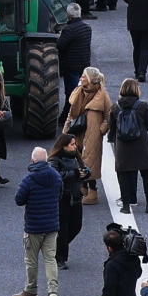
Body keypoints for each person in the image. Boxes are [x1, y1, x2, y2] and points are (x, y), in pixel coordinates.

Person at [13, 147, 63, 296]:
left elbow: (19, 200)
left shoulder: (29, 180)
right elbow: (59, 196)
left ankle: (31, 289)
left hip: (34, 227)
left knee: (31, 260)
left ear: (33, 160)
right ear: (46, 160)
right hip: (52, 225)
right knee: (50, 259)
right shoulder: (56, 177)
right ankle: (52, 290)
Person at [64, 67, 111, 205]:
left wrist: (101, 130)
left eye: (83, 76)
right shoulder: (78, 92)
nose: (80, 78)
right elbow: (71, 113)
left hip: (92, 134)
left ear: (90, 79)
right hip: (78, 131)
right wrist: (66, 128)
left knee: (90, 161)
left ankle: (93, 191)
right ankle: (83, 187)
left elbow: (109, 115)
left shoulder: (102, 95)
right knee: (79, 159)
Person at [110, 78, 148, 214]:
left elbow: (111, 128)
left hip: (122, 146)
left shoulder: (116, 107)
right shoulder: (142, 106)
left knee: (123, 174)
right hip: (140, 144)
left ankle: (126, 205)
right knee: (146, 173)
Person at [48, 134, 88, 269]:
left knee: (76, 227)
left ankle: (56, 248)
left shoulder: (76, 157)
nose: (75, 146)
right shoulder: (55, 159)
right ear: (64, 146)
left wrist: (86, 173)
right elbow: (54, 176)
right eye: (72, 144)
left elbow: (84, 169)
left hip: (76, 196)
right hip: (62, 198)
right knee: (62, 229)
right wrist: (75, 173)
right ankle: (60, 258)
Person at [93, 228, 143, 296]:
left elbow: (109, 293)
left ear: (110, 247)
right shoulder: (134, 259)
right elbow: (138, 273)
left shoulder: (112, 265)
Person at [57, 4, 92, 123]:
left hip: (71, 66)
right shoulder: (87, 28)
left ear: (68, 16)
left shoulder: (69, 30)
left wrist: (58, 37)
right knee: (80, 91)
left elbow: (60, 45)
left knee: (71, 94)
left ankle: (70, 118)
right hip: (83, 65)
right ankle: (66, 117)